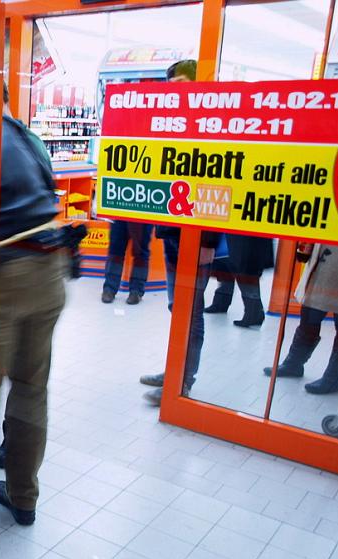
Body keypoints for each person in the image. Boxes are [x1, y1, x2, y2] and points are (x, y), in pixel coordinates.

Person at [0, 83, 69, 526]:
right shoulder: (28, 136)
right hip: (48, 273)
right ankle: (24, 497)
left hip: (4, 278)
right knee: (31, 388)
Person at [139, 59, 220, 406]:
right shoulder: (174, 129)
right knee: (177, 306)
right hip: (173, 234)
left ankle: (183, 380)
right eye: (171, 84)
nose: (175, 90)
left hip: (198, 239)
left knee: (192, 310)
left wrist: (210, 241)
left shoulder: (214, 130)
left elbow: (221, 189)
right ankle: (175, 368)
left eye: (182, 82)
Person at [263, 242, 338, 395]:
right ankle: (294, 364)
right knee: (309, 316)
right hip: (321, 258)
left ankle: (333, 379)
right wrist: (305, 247)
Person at [205, 234, 274, 327]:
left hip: (246, 234)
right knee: (224, 263)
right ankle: (221, 302)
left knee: (244, 269)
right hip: (235, 233)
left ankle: (254, 312)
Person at [101, 220, 153, 305]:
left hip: (144, 213)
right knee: (115, 249)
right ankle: (109, 288)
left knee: (140, 252)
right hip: (119, 211)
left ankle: (136, 291)